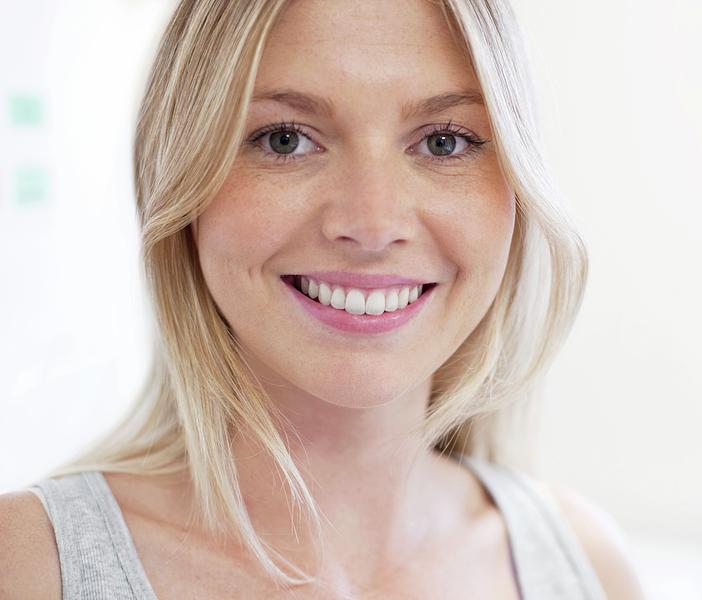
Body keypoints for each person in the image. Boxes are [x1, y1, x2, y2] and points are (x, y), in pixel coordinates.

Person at [0, 0, 645, 598]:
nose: (371, 223)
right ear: (183, 182)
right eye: (285, 138)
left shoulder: (586, 567)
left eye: (443, 141)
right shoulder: (28, 564)